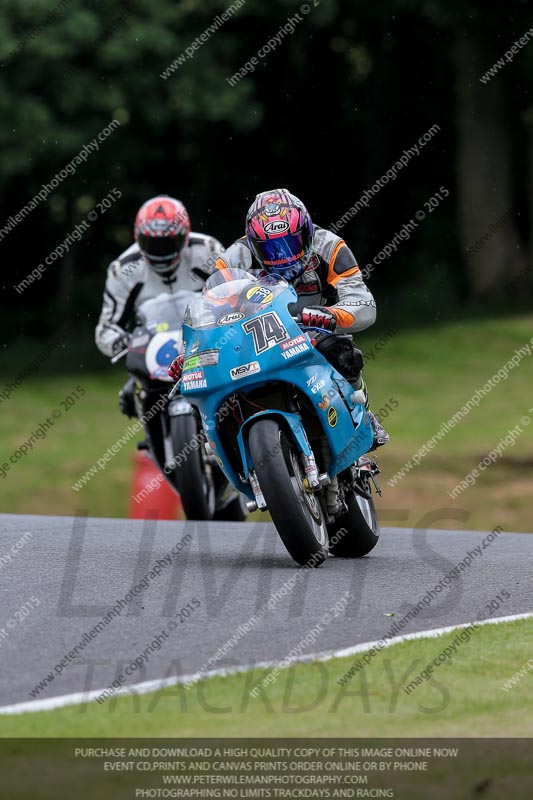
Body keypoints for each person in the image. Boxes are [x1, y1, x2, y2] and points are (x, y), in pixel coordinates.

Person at [169, 188, 388, 451]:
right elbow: (206, 311)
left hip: (311, 327)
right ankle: (223, 449)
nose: (282, 255)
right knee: (206, 385)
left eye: (290, 243)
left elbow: (363, 302)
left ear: (307, 232)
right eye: (269, 248)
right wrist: (189, 354)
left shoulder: (331, 246)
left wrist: (331, 315)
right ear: (253, 243)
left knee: (344, 354)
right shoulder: (233, 258)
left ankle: (363, 414)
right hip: (253, 334)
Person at [95, 194, 223, 417]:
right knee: (130, 397)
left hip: (204, 342)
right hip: (152, 351)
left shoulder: (207, 250)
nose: (160, 251)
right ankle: (155, 443)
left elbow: (231, 294)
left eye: (168, 243)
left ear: (185, 236)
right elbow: (106, 327)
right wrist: (125, 342)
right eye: (152, 243)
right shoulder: (123, 269)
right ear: (138, 238)